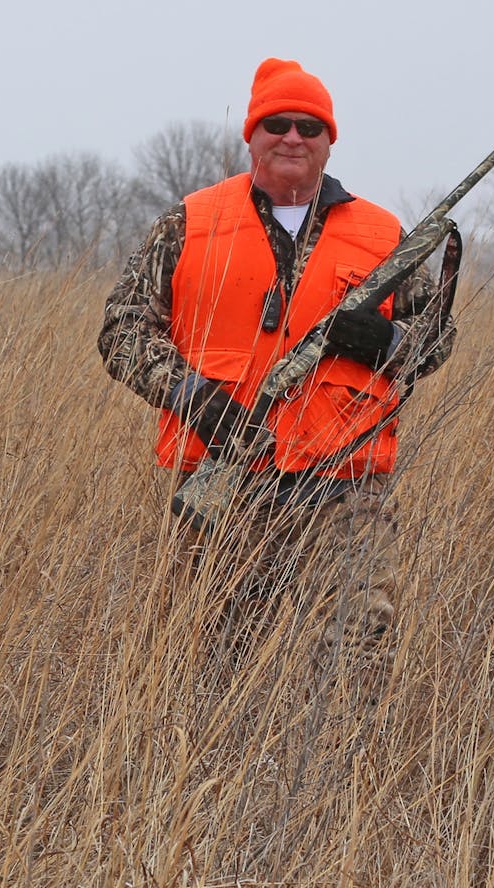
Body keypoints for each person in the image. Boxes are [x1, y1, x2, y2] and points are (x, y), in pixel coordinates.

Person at [98, 58, 456, 709]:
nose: (293, 137)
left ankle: (343, 783)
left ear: (329, 139)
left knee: (358, 645)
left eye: (309, 125)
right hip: (226, 478)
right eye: (277, 123)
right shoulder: (187, 224)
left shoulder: (382, 235)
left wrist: (384, 343)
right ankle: (222, 786)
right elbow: (121, 329)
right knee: (220, 655)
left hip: (346, 484)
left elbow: (437, 340)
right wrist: (193, 397)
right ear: (251, 134)